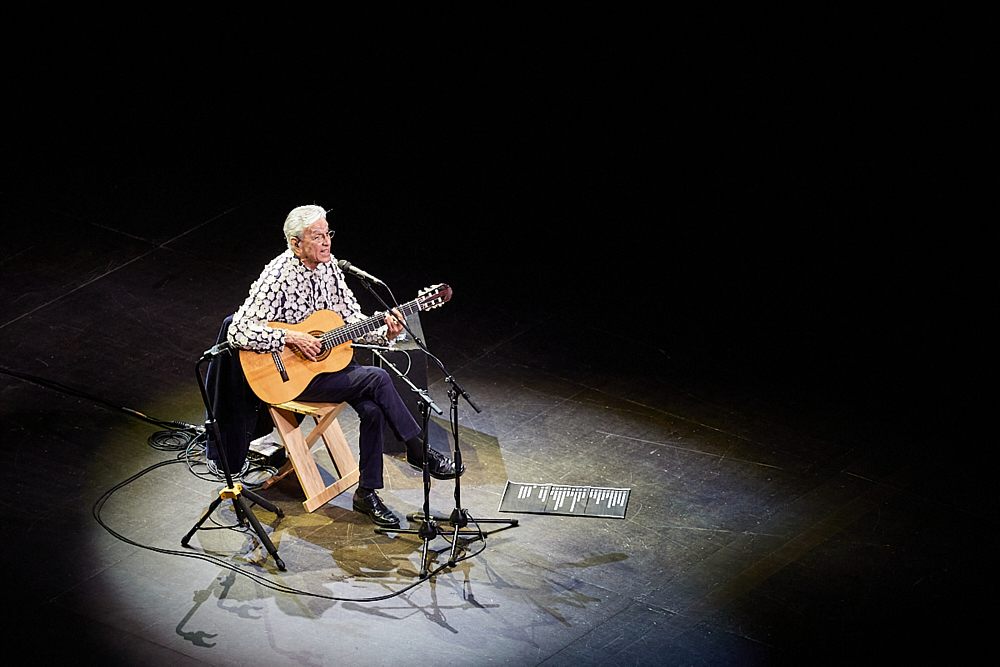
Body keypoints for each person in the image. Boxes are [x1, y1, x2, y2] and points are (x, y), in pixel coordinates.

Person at [227, 204, 462, 528]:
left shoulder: (329, 269)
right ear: (296, 243)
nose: (327, 243)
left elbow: (352, 320)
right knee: (378, 378)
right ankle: (418, 449)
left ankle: (366, 492)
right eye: (317, 236)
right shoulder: (277, 275)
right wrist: (291, 337)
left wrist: (385, 329)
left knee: (373, 409)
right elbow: (236, 330)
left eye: (328, 234)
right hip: (287, 378)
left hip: (325, 371)